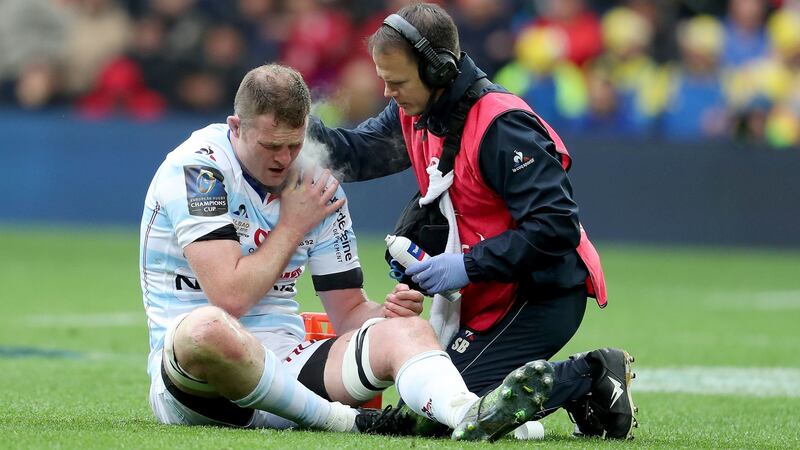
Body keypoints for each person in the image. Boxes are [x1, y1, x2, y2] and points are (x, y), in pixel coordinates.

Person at [138, 63, 561, 441]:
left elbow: (347, 314)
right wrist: (291, 226)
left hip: (288, 364)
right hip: (197, 385)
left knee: (410, 333)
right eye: (271, 146)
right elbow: (230, 296)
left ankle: (467, 413)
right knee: (208, 328)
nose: (285, 159)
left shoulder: (315, 184)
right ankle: (341, 422)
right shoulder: (199, 169)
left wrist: (387, 314)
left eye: (295, 144)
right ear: (236, 126)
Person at [310, 3, 637, 439]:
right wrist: (286, 129)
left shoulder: (503, 125)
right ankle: (575, 389)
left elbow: (555, 226)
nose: (388, 93)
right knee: (436, 402)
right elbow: (352, 153)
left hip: (543, 291)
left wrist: (464, 266)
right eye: (384, 81)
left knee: (445, 415)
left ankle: (591, 374)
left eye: (397, 82)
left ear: (439, 69)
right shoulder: (418, 109)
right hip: (491, 289)